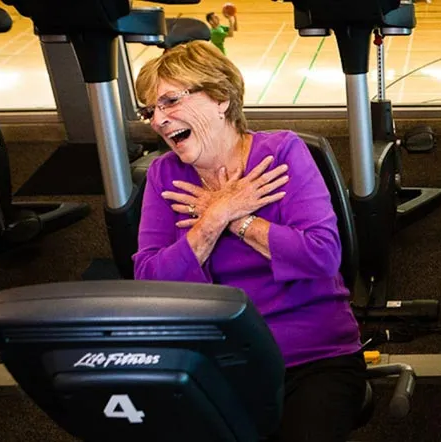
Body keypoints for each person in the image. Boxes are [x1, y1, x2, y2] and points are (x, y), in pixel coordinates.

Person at [131, 41, 365, 442]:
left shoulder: (283, 152)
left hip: (312, 357)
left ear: (220, 98)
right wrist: (214, 217)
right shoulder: (163, 175)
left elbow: (322, 256)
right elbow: (151, 284)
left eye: (169, 101)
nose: (157, 121)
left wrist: (238, 219)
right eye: (150, 110)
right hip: (215, 361)